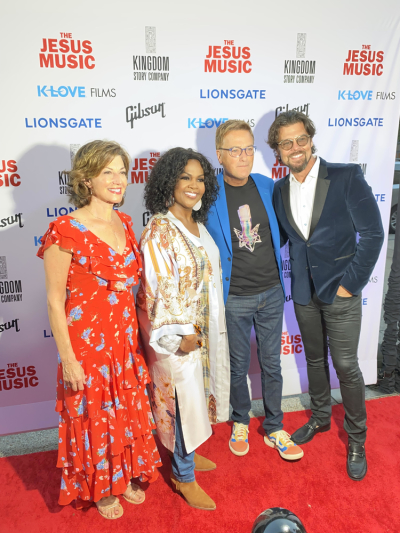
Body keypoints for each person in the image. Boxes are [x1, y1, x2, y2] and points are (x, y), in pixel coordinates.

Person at [37, 140, 161, 520]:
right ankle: (101, 486)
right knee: (94, 415)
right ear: (86, 179)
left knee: (123, 410)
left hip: (124, 344)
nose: (118, 179)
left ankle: (122, 474)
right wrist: (69, 360)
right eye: (107, 171)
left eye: (122, 171)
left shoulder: (124, 222)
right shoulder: (64, 230)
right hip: (87, 349)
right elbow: (54, 303)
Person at [269, 111, 384, 480]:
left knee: (347, 367)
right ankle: (320, 418)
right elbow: (286, 240)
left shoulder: (346, 176)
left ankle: (356, 438)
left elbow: (374, 234)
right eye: (286, 143)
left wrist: (351, 284)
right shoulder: (278, 189)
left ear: (311, 138)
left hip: (342, 291)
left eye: (300, 139)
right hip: (303, 292)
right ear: (278, 151)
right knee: (314, 361)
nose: (295, 148)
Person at [137, 147, 230, 511]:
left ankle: (187, 453)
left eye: (200, 179)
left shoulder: (197, 224)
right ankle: (182, 474)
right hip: (178, 336)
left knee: (195, 399)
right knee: (179, 401)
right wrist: (181, 334)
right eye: (185, 177)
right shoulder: (160, 229)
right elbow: (161, 285)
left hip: (202, 328)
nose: (194, 185)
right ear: (168, 182)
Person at [206, 119, 304, 461]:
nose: (244, 156)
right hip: (233, 297)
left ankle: (275, 426)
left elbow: (290, 230)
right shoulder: (208, 195)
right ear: (220, 155)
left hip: (272, 292)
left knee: (271, 363)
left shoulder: (268, 186)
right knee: (237, 364)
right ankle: (240, 420)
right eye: (235, 150)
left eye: (248, 148)